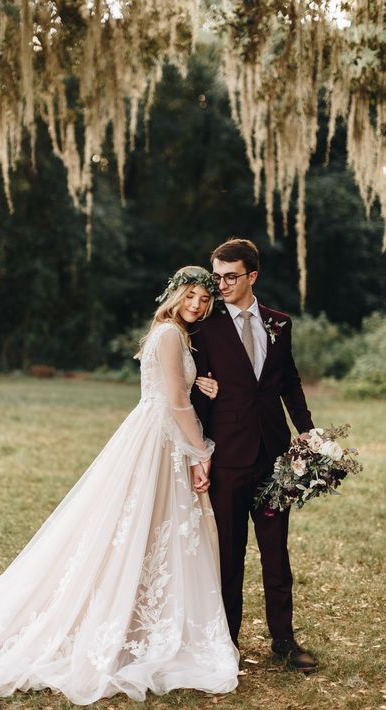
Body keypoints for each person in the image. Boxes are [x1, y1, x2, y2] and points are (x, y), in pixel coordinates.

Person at [0, 266, 239, 704]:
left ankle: (144, 622)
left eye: (206, 300)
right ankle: (118, 624)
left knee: (152, 533)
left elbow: (174, 390)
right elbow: (176, 403)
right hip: (159, 440)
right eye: (192, 296)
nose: (198, 305)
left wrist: (200, 384)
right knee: (134, 528)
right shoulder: (167, 334)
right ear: (176, 294)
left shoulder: (176, 335)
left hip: (163, 438)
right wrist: (203, 451)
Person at [190, 239, 318, 672]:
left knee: (276, 555)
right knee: (229, 555)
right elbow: (189, 388)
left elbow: (290, 383)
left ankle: (284, 641)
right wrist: (198, 448)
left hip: (274, 459)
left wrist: (310, 433)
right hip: (226, 459)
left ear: (252, 277)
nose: (221, 284)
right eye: (217, 276)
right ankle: (226, 643)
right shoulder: (204, 328)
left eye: (230, 276)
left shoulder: (278, 323)